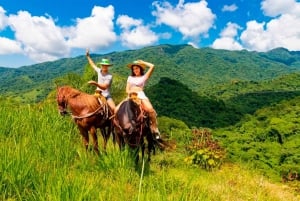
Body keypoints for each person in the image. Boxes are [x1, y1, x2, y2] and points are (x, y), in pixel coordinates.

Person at [125, 59, 161, 139]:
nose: (135, 70)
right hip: (130, 95)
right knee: (117, 109)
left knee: (151, 110)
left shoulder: (144, 77)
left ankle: (155, 129)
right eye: (133, 69)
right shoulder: (130, 77)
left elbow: (152, 66)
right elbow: (127, 89)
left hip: (140, 95)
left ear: (140, 69)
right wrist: (130, 92)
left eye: (137, 68)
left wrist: (143, 62)